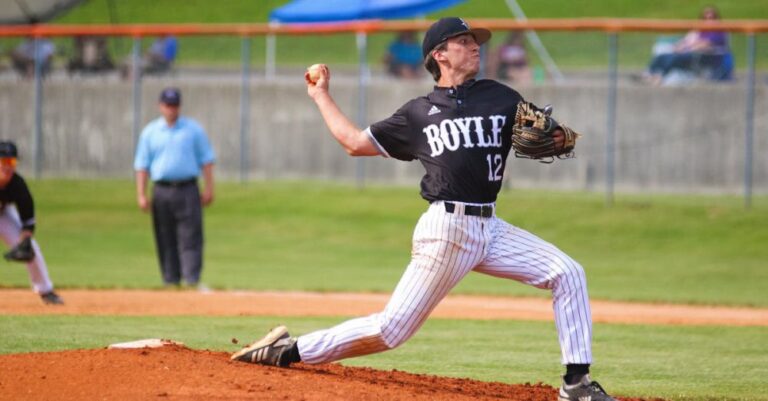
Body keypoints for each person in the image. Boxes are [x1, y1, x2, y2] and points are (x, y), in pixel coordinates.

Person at [231, 17, 618, 401]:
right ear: (440, 54)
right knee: (390, 331)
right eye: (463, 41)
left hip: (491, 228)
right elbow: (353, 142)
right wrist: (320, 95)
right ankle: (289, 349)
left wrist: (552, 136)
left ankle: (576, 383)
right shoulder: (418, 113)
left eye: (474, 41)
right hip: (446, 230)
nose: (474, 46)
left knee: (568, 273)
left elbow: (542, 132)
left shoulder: (501, 97)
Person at [134, 88, 215, 288]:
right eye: (168, 105)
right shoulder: (150, 132)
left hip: (188, 188)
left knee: (191, 236)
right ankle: (170, 280)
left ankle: (191, 279)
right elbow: (142, 165)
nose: (172, 109)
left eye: (175, 105)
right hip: (161, 189)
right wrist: (141, 194)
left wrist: (209, 188)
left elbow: (207, 160)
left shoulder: (192, 130)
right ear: (160, 106)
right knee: (164, 235)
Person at [0, 141, 63, 305]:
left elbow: (28, 221)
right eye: (4, 161)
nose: (8, 166)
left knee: (31, 247)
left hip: (2, 215)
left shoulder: (18, 185)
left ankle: (46, 290)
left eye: (12, 162)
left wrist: (23, 240)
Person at [643, 5, 732, 85]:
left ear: (717, 18)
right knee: (662, 56)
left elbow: (706, 44)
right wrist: (679, 46)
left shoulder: (719, 31)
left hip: (706, 57)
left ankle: (661, 77)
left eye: (712, 18)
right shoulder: (700, 30)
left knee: (674, 58)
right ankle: (649, 75)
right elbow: (686, 40)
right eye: (705, 18)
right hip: (691, 53)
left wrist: (690, 46)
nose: (709, 21)